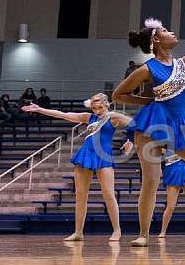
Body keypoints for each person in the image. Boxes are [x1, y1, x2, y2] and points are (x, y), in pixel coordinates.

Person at [112, 0, 185, 248]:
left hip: (181, 125)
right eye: (165, 30)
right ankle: (143, 234)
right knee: (151, 181)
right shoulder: (147, 69)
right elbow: (118, 95)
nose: (172, 32)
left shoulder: (184, 63)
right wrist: (146, 103)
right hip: (153, 125)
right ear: (156, 40)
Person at [22, 94, 133, 241]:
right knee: (80, 196)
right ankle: (78, 233)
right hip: (85, 154)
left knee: (108, 194)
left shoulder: (113, 117)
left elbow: (135, 124)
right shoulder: (89, 118)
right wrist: (39, 109)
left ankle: (117, 230)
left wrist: (130, 141)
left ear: (107, 105)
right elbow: (63, 114)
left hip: (104, 155)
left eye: (100, 107)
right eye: (94, 108)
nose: (97, 111)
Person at [158, 151, 185, 239]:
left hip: (184, 170)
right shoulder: (162, 141)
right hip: (171, 171)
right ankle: (163, 230)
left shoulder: (181, 141)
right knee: (171, 206)